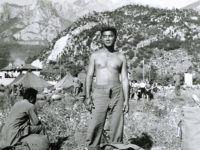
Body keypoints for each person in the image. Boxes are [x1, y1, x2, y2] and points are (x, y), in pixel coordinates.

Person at [84, 27, 129, 150]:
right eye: (105, 36)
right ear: (101, 38)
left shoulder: (121, 57)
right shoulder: (95, 55)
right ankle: (92, 147)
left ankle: (115, 147)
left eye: (110, 36)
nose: (108, 38)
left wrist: (126, 100)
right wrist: (87, 97)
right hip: (99, 92)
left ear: (115, 37)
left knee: (117, 125)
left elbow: (125, 79)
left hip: (117, 92)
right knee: (95, 124)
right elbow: (88, 76)